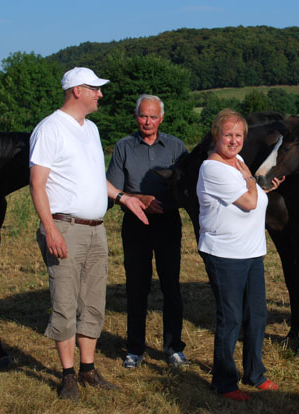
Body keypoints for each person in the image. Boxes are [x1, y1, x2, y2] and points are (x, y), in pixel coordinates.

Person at [29, 67, 149, 401]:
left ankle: (88, 368)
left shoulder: (91, 129)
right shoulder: (50, 129)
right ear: (77, 91)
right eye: (95, 89)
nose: (100, 94)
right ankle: (67, 375)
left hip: (96, 231)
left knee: (94, 302)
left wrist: (123, 198)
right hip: (65, 227)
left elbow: (97, 179)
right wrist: (50, 229)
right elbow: (37, 185)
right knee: (65, 302)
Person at [197, 109, 284, 401]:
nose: (233, 141)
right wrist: (253, 184)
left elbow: (253, 192)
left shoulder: (240, 162)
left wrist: (262, 187)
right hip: (224, 254)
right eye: (228, 135)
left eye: (238, 135)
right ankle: (224, 382)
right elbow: (248, 201)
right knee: (231, 318)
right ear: (216, 136)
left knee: (257, 315)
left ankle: (254, 373)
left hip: (252, 251)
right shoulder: (213, 168)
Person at [106, 94, 189, 369]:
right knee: (136, 287)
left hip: (168, 222)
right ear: (136, 116)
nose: (148, 121)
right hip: (135, 224)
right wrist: (140, 200)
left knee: (171, 286)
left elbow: (187, 189)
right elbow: (114, 189)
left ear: (161, 118)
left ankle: (174, 347)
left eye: (153, 116)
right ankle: (135, 348)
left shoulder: (176, 147)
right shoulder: (123, 148)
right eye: (143, 116)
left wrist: (166, 205)